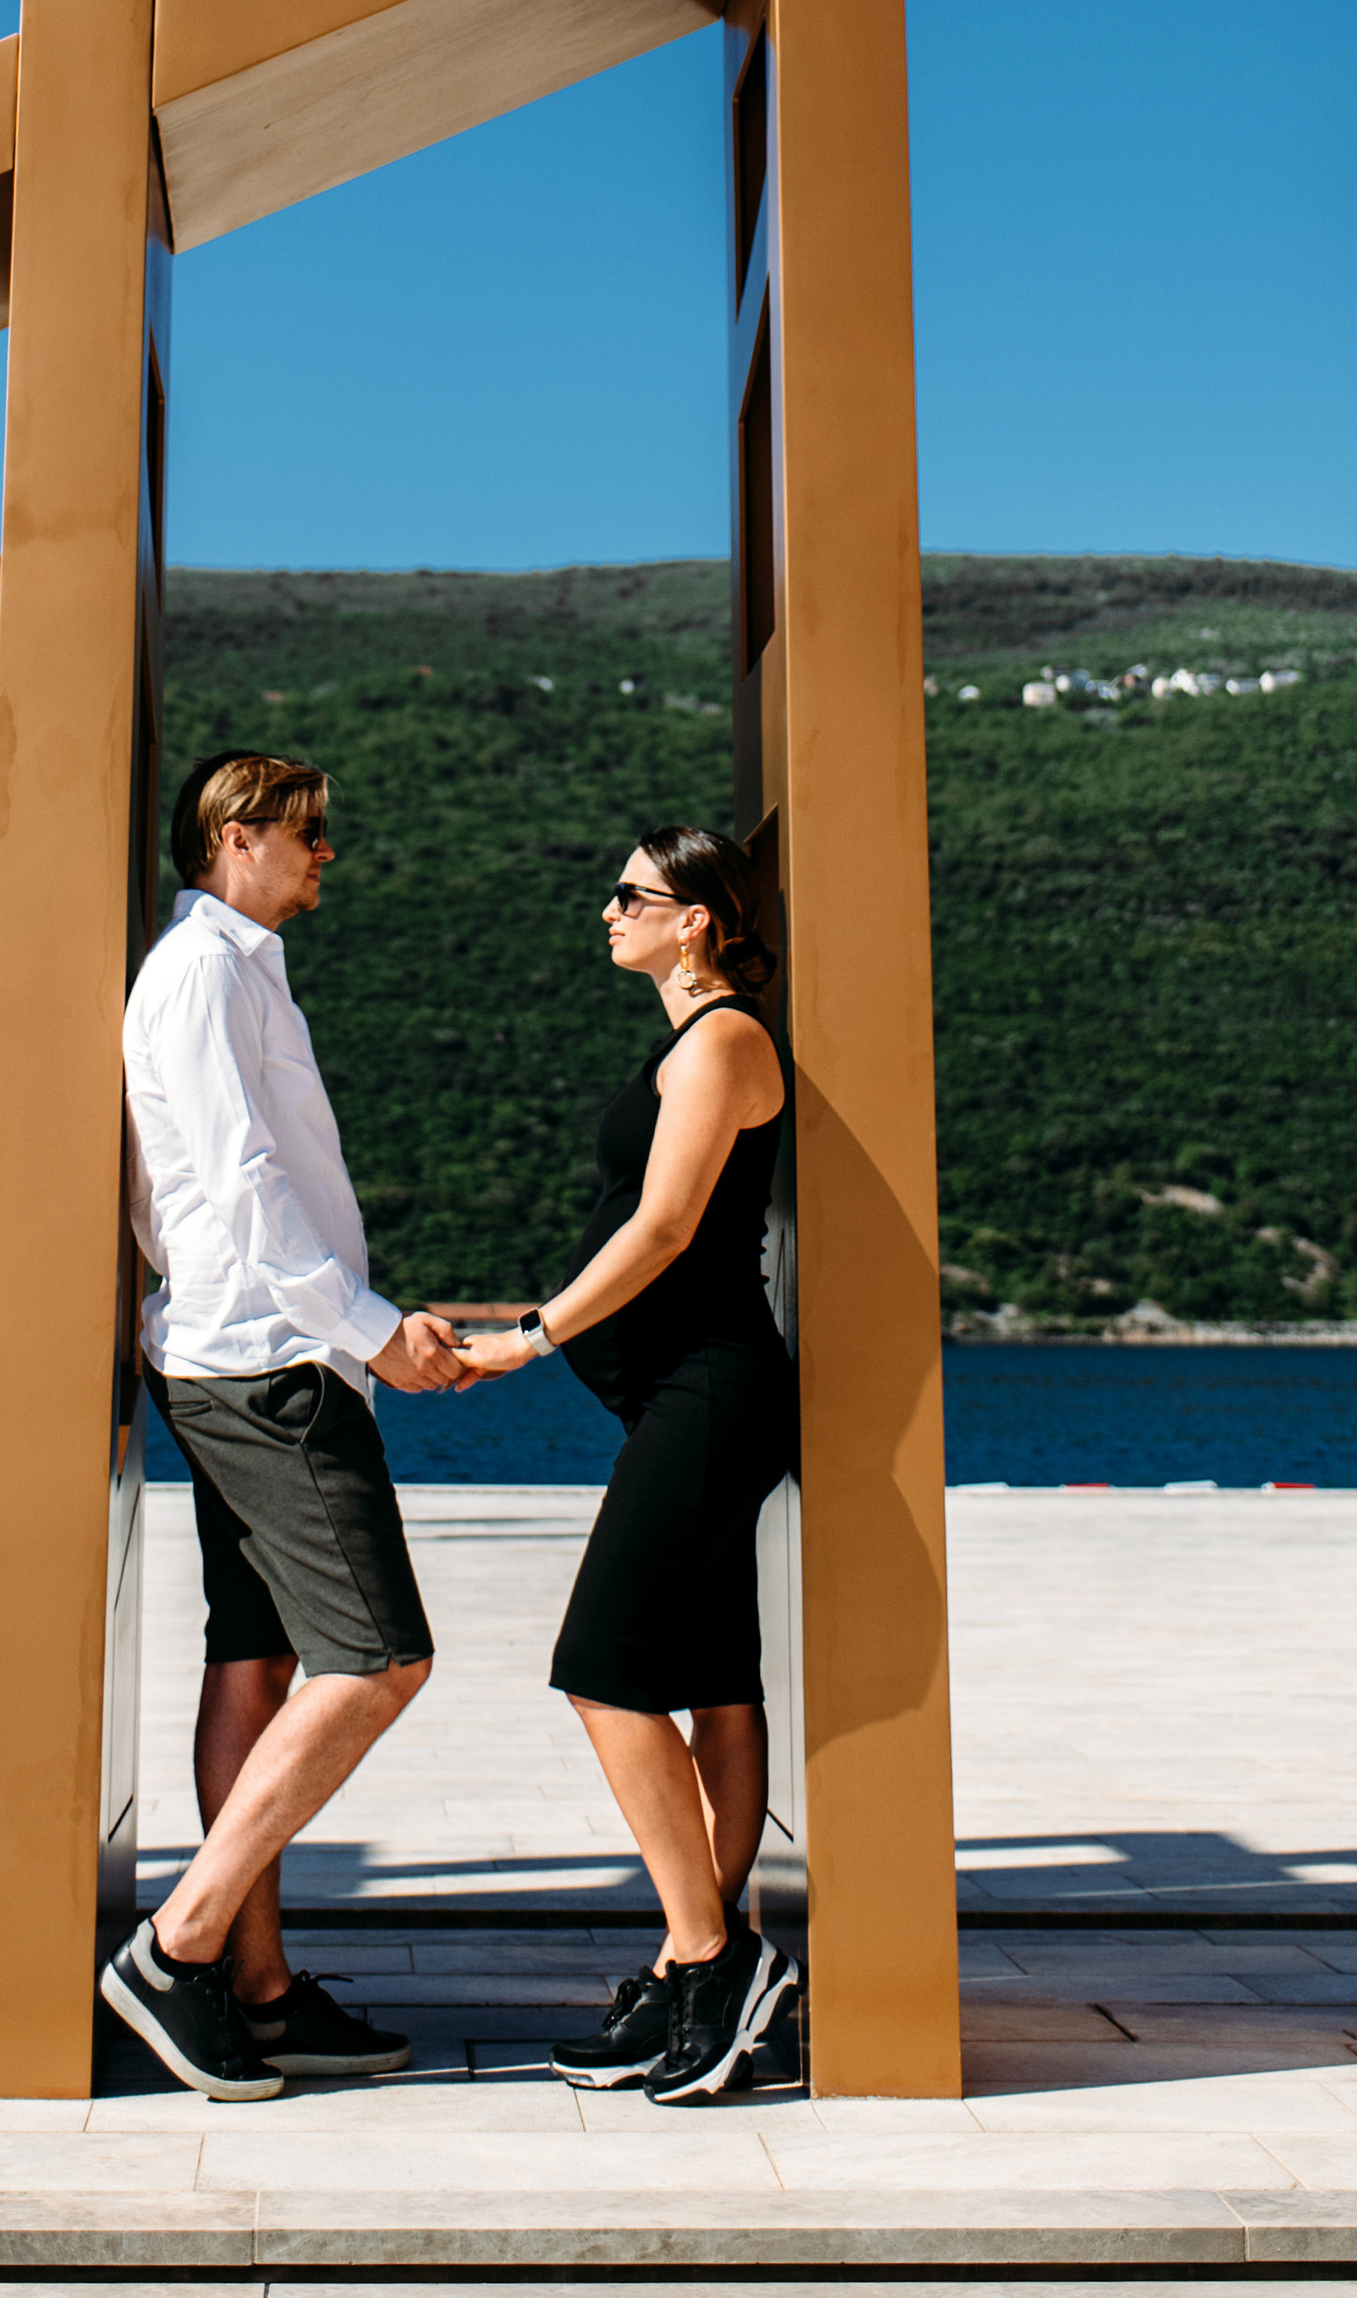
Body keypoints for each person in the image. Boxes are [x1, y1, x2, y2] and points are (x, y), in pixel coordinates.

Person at [99, 750, 470, 2101]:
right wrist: (372, 1334)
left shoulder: (240, 966)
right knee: (376, 1661)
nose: (326, 858)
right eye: (309, 836)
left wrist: (368, 1330)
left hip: (249, 1357)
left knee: (256, 1666)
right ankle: (177, 1950)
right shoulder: (200, 971)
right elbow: (245, 1187)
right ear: (237, 837)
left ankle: (253, 1991)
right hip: (269, 1371)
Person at [456, 825, 800, 2105]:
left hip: (709, 1390)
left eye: (632, 895)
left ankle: (713, 1957)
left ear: (699, 918)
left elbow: (663, 1227)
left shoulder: (725, 1041)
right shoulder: (689, 1039)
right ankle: (691, 1963)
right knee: (711, 1677)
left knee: (603, 1672)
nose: (607, 910)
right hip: (677, 1393)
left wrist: (530, 1338)